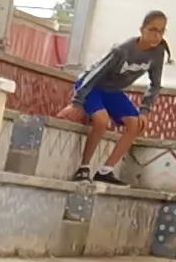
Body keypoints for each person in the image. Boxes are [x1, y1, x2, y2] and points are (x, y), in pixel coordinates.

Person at [70, 11, 170, 184]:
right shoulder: (122, 50)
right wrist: (77, 102)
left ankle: (105, 171)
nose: (156, 35)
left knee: (135, 124)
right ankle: (83, 168)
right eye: (152, 29)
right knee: (101, 121)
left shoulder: (158, 53)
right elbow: (94, 74)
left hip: (113, 91)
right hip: (92, 86)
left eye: (161, 31)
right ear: (142, 30)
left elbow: (155, 84)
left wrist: (145, 111)